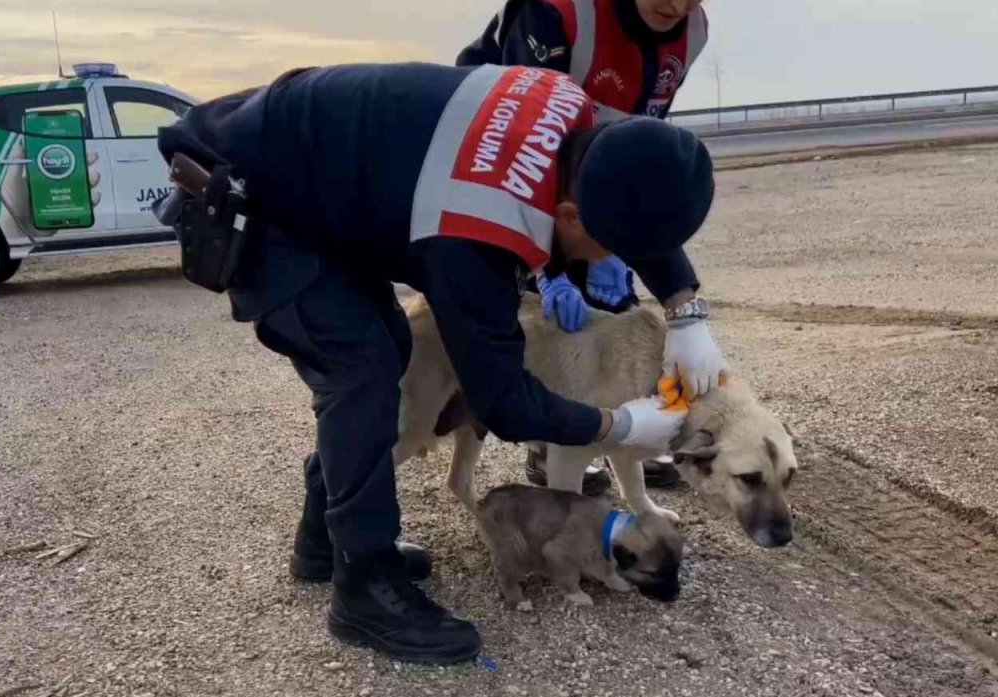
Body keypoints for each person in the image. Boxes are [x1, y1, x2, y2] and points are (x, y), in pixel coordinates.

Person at [155, 62, 719, 664]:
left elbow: (641, 179)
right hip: (252, 192)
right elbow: (501, 400)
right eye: (610, 250)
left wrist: (686, 310)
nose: (606, 264)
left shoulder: (578, 119)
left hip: (317, 175)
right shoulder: (480, 227)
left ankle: (323, 541)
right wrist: (621, 425)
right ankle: (364, 587)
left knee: (389, 345)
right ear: (570, 216)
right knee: (362, 372)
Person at [458, 0, 712, 493]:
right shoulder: (555, 13)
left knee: (607, 308)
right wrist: (547, 272)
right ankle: (548, 443)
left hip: (587, 159)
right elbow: (520, 154)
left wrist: (683, 306)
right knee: (539, 319)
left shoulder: (692, 31)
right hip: (498, 153)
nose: (675, 5)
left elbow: (634, 153)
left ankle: (618, 435)